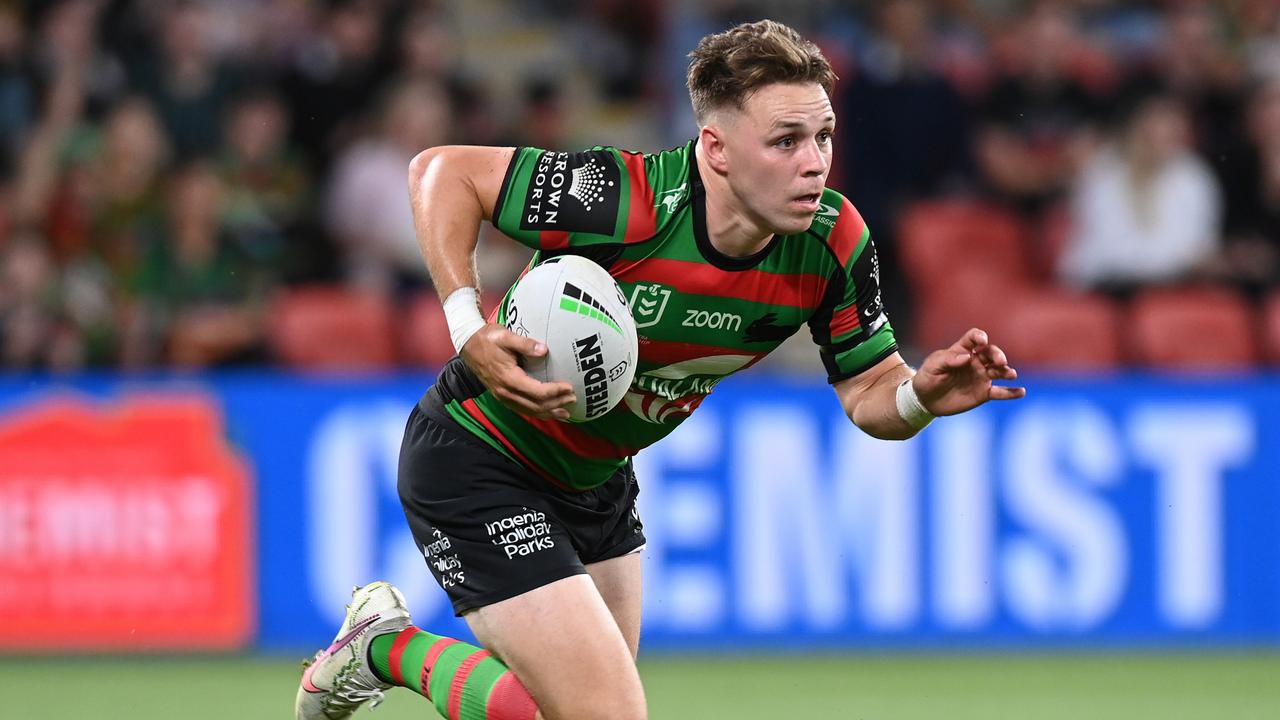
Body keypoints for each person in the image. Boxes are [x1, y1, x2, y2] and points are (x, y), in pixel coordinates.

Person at [295, 19, 1025, 720]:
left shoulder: (833, 242)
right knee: (605, 713)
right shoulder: (625, 201)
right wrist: (468, 326)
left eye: (823, 135)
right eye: (786, 140)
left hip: (598, 479)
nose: (814, 160)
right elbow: (442, 172)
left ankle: (377, 648)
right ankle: (385, 649)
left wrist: (920, 396)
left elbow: (870, 392)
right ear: (716, 149)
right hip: (479, 455)